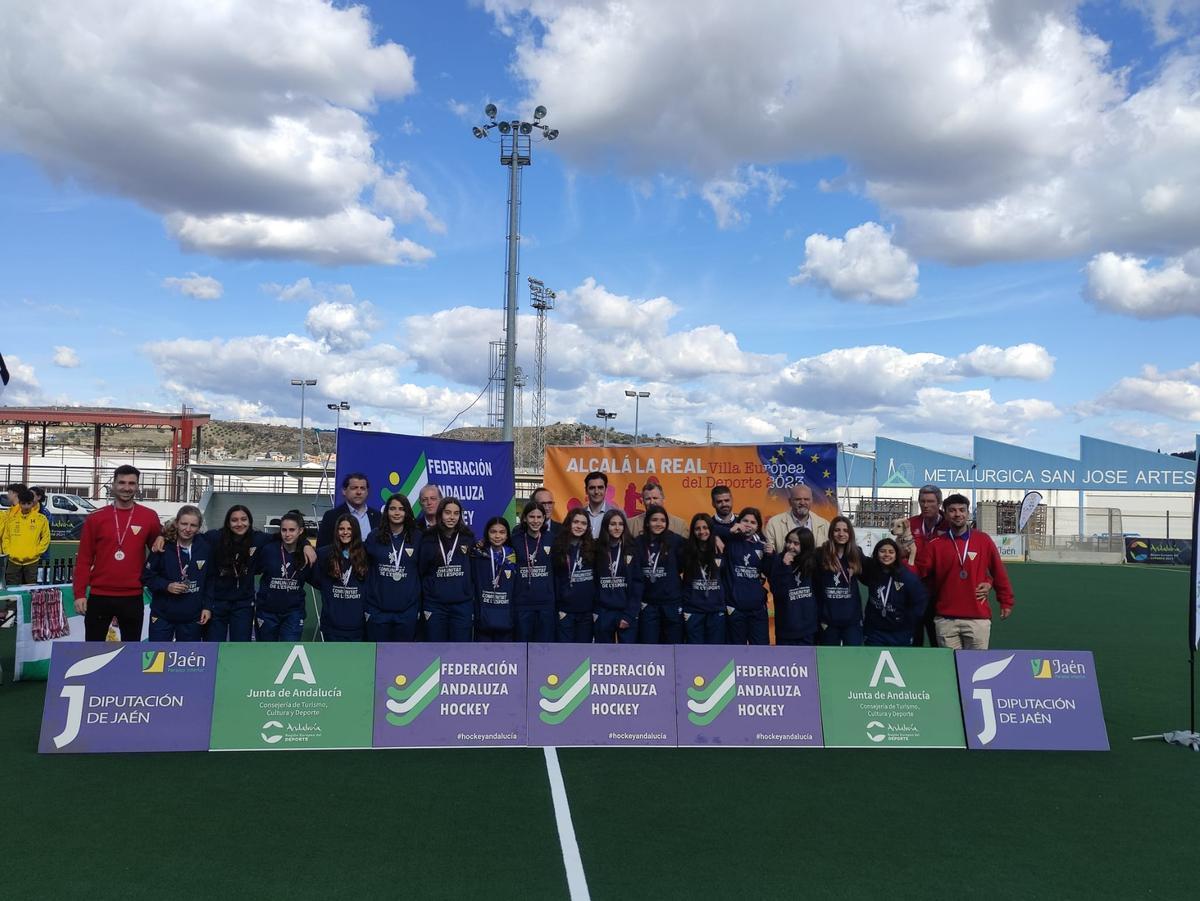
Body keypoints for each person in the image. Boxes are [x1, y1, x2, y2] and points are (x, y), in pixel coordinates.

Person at [916, 493, 1014, 650]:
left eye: (962, 510)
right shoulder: (936, 544)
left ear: (968, 513)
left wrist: (1006, 601)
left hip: (977, 619)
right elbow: (919, 573)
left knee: (976, 670)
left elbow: (998, 571)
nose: (957, 514)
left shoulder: (983, 540)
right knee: (950, 670)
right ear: (945, 514)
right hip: (946, 620)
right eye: (952, 510)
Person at [73, 465, 161, 641]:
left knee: (131, 650)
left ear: (137, 486)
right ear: (113, 485)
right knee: (92, 649)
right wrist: (80, 594)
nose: (126, 488)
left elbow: (159, 553)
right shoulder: (95, 518)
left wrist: (163, 536)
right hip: (99, 596)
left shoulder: (149, 517)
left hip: (133, 597)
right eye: (121, 482)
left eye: (132, 483)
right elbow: (84, 559)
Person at [142, 505, 210, 641]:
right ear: (177, 523)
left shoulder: (206, 547)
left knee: (188, 659)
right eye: (184, 524)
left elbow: (211, 580)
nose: (188, 529)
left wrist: (207, 607)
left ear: (199, 527)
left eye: (193, 525)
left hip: (192, 616)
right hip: (163, 615)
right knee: (157, 658)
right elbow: (147, 576)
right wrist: (166, 586)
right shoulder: (163, 546)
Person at [363, 494, 421, 641]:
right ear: (386, 511)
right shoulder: (374, 537)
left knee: (403, 659)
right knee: (379, 659)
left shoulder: (417, 537)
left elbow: (424, 570)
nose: (397, 513)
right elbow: (364, 568)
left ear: (407, 512)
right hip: (378, 611)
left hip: (407, 611)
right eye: (393, 509)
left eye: (401, 509)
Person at [200, 505, 262, 642]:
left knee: (240, 648)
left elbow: (282, 537)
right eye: (234, 520)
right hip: (217, 603)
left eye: (243, 519)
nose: (239, 524)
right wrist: (162, 537)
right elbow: (189, 534)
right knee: (213, 647)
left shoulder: (258, 538)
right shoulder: (215, 537)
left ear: (250, 521)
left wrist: (305, 544)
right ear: (228, 523)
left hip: (243, 604)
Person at [418, 497, 475, 641]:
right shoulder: (428, 538)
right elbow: (421, 570)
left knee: (460, 652)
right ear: (440, 514)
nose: (452, 517)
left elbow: (473, 570)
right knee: (435, 651)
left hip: (462, 605)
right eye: (448, 513)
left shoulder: (467, 537)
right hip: (435, 605)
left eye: (456, 513)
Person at [254, 510, 312, 642]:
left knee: (289, 651)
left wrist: (307, 545)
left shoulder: (306, 554)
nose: (287, 534)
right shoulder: (269, 550)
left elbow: (317, 578)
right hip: (267, 612)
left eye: (292, 530)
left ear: (300, 531)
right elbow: (255, 569)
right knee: (266, 651)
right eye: (284, 530)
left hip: (293, 613)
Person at [861, 537, 928, 646]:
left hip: (900, 633)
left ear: (897, 555)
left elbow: (920, 601)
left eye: (891, 552)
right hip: (875, 633)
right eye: (882, 551)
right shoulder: (871, 573)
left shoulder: (906, 577)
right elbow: (857, 556)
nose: (886, 555)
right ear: (876, 553)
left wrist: (906, 621)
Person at [312, 515, 369, 641]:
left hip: (357, 625)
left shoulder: (366, 554)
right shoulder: (324, 554)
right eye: (341, 529)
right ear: (336, 531)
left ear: (355, 531)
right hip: (332, 624)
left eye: (349, 529)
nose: (345, 532)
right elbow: (315, 580)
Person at [635, 505, 686, 644]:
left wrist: (716, 537)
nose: (659, 524)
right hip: (648, 604)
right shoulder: (638, 543)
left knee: (674, 648)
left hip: (672, 603)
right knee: (649, 648)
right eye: (654, 520)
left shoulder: (676, 541)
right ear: (647, 522)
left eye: (663, 520)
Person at [723, 507, 772, 645]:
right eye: (745, 520)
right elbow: (712, 528)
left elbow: (768, 572)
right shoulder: (728, 541)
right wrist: (729, 531)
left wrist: (769, 556)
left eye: (753, 522)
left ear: (758, 526)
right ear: (739, 522)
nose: (748, 525)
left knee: (761, 653)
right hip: (735, 608)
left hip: (757, 610)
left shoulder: (762, 546)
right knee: (736, 654)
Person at [593, 510, 642, 643]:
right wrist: (597, 612)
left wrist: (630, 614)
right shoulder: (596, 549)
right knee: (603, 656)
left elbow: (637, 584)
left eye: (620, 524)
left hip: (625, 611)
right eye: (612, 524)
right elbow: (593, 583)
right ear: (605, 526)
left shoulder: (631, 549)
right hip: (603, 612)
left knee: (628, 657)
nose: (617, 527)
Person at [511, 500, 557, 642]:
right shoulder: (514, 540)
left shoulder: (552, 539)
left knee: (544, 649)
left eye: (539, 517)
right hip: (522, 603)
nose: (535, 521)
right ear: (524, 518)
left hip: (546, 604)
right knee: (523, 647)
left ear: (544, 519)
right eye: (532, 517)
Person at [815, 515, 864, 646]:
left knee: (853, 658)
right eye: (837, 530)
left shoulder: (856, 553)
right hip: (828, 619)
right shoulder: (820, 553)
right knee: (829, 659)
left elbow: (872, 575)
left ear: (850, 534)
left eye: (845, 530)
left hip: (851, 620)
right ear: (831, 533)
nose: (841, 534)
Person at [766, 527, 819, 645]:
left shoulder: (813, 562)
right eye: (789, 542)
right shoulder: (779, 561)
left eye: (796, 543)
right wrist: (785, 566)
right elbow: (778, 592)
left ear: (805, 545)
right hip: (785, 629)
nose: (790, 546)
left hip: (808, 629)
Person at [681, 513, 727, 644]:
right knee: (695, 653)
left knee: (715, 653)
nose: (702, 531)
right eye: (698, 528)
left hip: (716, 609)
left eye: (705, 528)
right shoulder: (686, 550)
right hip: (693, 610)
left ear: (711, 529)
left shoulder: (721, 549)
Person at [552, 508, 596, 642]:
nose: (579, 526)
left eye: (583, 523)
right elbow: (555, 579)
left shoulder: (593, 547)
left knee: (583, 656)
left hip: (587, 612)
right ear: (569, 523)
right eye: (575, 522)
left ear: (587, 527)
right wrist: (559, 608)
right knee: (565, 656)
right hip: (565, 612)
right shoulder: (558, 547)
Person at [471, 516, 517, 641]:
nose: (497, 536)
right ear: (487, 533)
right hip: (483, 617)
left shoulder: (513, 556)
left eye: (502, 532)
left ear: (507, 535)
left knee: (505, 659)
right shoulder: (477, 555)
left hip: (505, 617)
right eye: (493, 532)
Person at [318, 472, 381, 547]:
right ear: (344, 491)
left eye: (362, 488)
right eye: (354, 488)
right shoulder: (331, 516)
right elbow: (322, 548)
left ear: (367, 492)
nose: (359, 492)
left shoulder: (378, 516)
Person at [2, 487, 50, 585]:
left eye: (29, 503)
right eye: (23, 503)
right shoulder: (12, 519)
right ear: (19, 503)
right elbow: (5, 537)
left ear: (32, 503)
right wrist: (9, 552)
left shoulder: (41, 519)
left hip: (32, 561)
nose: (26, 506)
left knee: (31, 590)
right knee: (12, 589)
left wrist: (36, 552)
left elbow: (46, 538)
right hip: (13, 561)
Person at [765, 483, 830, 553]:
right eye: (798, 499)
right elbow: (770, 554)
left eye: (806, 499)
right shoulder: (774, 523)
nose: (802, 503)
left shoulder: (825, 525)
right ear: (790, 502)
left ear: (812, 501)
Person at [583, 471, 613, 538]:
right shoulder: (578, 515)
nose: (596, 492)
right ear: (586, 490)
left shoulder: (618, 514)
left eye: (600, 487)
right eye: (592, 488)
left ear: (606, 490)